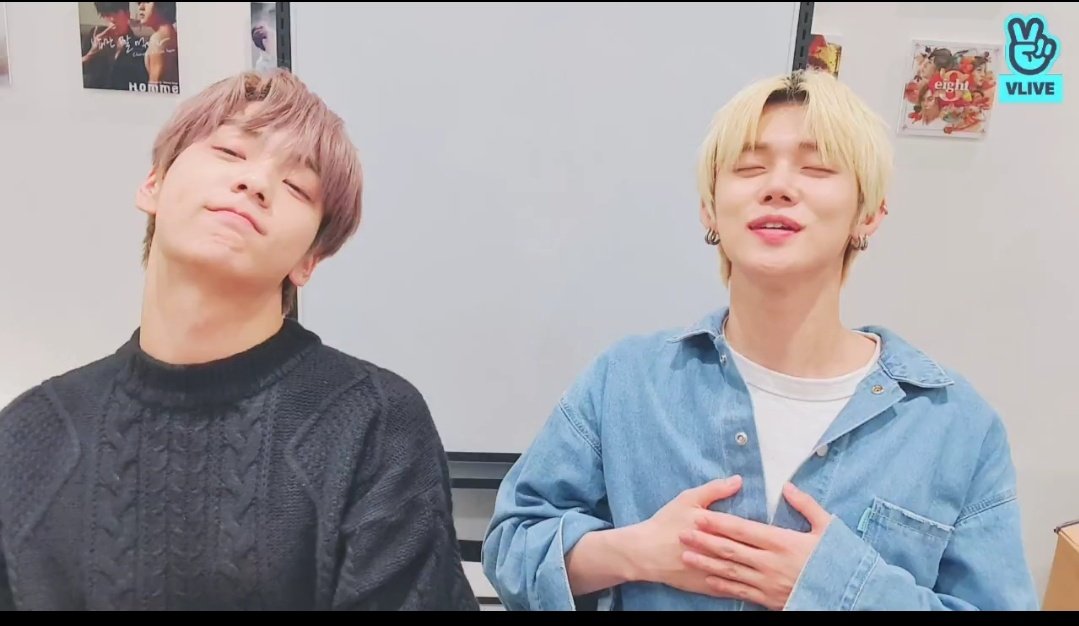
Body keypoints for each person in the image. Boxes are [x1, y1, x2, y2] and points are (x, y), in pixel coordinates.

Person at [480, 69, 1038, 611]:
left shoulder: (954, 426)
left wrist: (840, 589)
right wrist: (635, 552)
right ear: (710, 209)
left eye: (817, 168)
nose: (778, 187)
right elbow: (511, 547)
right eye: (749, 168)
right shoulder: (626, 381)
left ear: (868, 215)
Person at [0, 70, 478, 611]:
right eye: (230, 151)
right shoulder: (30, 433)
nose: (256, 183)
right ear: (153, 184)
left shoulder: (374, 423)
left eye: (297, 187)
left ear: (309, 260)